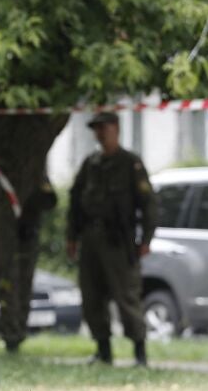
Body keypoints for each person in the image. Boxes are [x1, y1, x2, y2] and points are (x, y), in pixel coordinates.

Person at [67, 112, 158, 366]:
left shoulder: (130, 163)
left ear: (116, 128)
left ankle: (139, 352)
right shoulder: (91, 164)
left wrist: (146, 239)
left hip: (119, 240)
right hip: (91, 239)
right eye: (96, 129)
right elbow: (75, 202)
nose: (100, 134)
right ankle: (103, 350)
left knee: (126, 296)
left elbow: (148, 204)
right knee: (92, 296)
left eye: (104, 128)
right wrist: (72, 237)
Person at [0, 172, 58, 355]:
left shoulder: (35, 171)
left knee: (19, 289)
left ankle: (13, 339)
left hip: (24, 239)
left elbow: (50, 201)